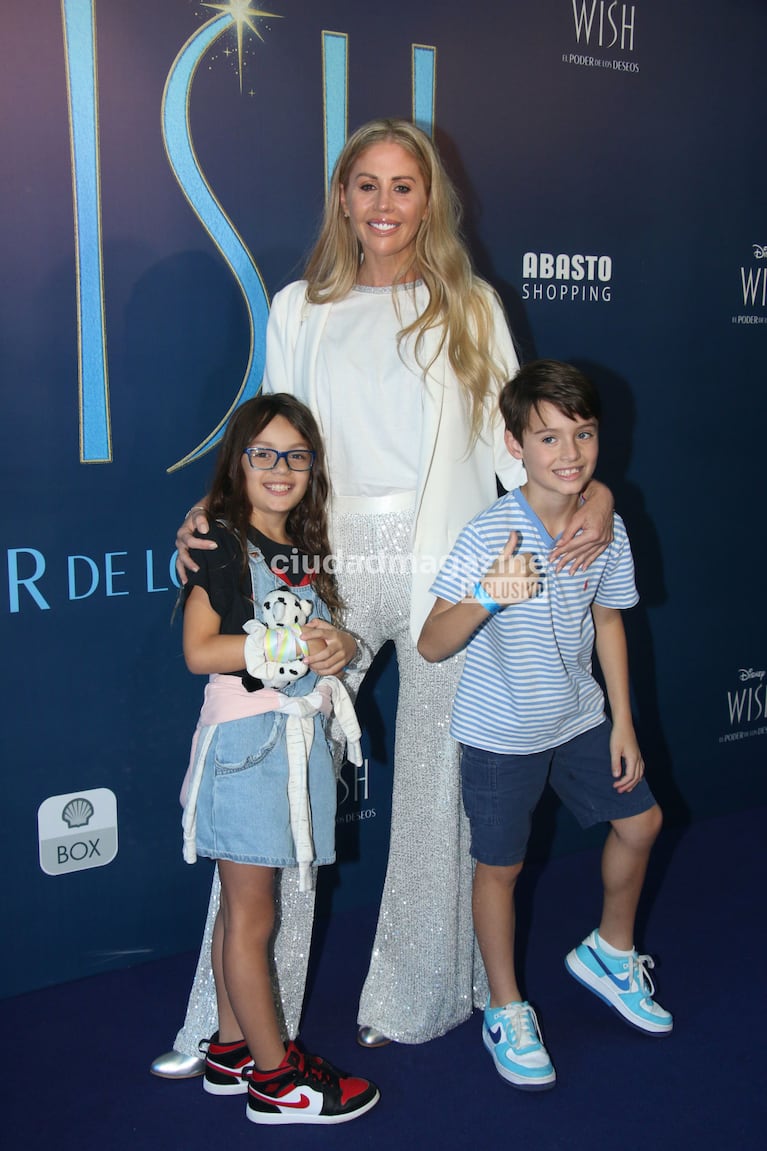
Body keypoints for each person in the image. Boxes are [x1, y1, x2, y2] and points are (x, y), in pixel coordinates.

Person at [154, 118, 614, 1076]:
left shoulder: (473, 305)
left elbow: (514, 443)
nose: (383, 205)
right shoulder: (298, 309)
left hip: (451, 563)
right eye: (365, 185)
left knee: (442, 788)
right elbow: (268, 447)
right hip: (324, 568)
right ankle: (231, 1019)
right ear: (341, 198)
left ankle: (418, 998)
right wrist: (211, 521)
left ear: (430, 199)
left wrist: (595, 492)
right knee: (279, 781)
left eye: (402, 186)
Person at [417, 359, 672, 1091]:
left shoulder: (603, 526)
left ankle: (608, 952)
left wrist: (622, 719)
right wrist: (489, 594)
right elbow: (432, 643)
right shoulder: (490, 531)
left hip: (579, 717)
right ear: (513, 446)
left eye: (582, 434)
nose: (569, 454)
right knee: (498, 870)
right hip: (500, 735)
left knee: (642, 822)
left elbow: (608, 618)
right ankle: (505, 1007)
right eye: (549, 438)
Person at [176, 391, 379, 1124]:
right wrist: (293, 646)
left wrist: (340, 644)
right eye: (264, 452)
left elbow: (307, 637)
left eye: (296, 454)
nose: (280, 467)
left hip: (288, 743)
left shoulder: (301, 546)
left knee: (244, 915)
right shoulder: (222, 541)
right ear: (239, 462)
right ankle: (275, 1077)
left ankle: (232, 1047)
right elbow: (201, 648)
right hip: (247, 748)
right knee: (254, 919)